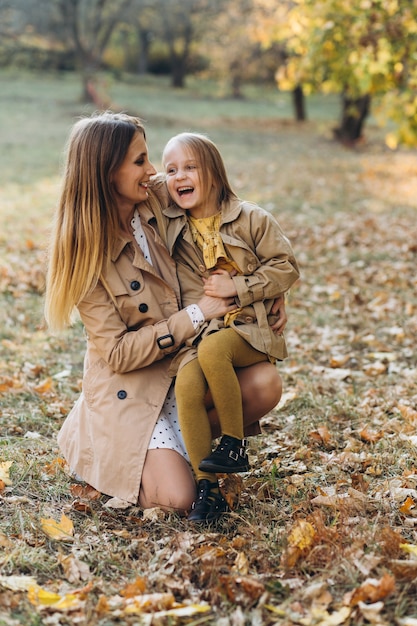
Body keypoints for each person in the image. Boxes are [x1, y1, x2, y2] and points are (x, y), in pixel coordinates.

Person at [44, 111, 288, 520]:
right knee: (177, 500)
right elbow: (119, 354)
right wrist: (197, 313)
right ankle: (99, 437)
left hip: (185, 364)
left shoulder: (157, 194)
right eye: (140, 161)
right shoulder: (83, 253)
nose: (154, 171)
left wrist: (263, 288)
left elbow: (229, 227)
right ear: (107, 172)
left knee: (265, 384)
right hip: (133, 386)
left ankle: (180, 442)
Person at [159, 132, 299, 522]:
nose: (179, 176)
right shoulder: (176, 225)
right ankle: (207, 488)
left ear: (215, 176)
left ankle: (235, 445)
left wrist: (238, 287)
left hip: (253, 329)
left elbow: (286, 266)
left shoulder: (251, 218)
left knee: (213, 350)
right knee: (187, 382)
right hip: (205, 330)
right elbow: (149, 180)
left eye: (190, 168)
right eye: (171, 170)